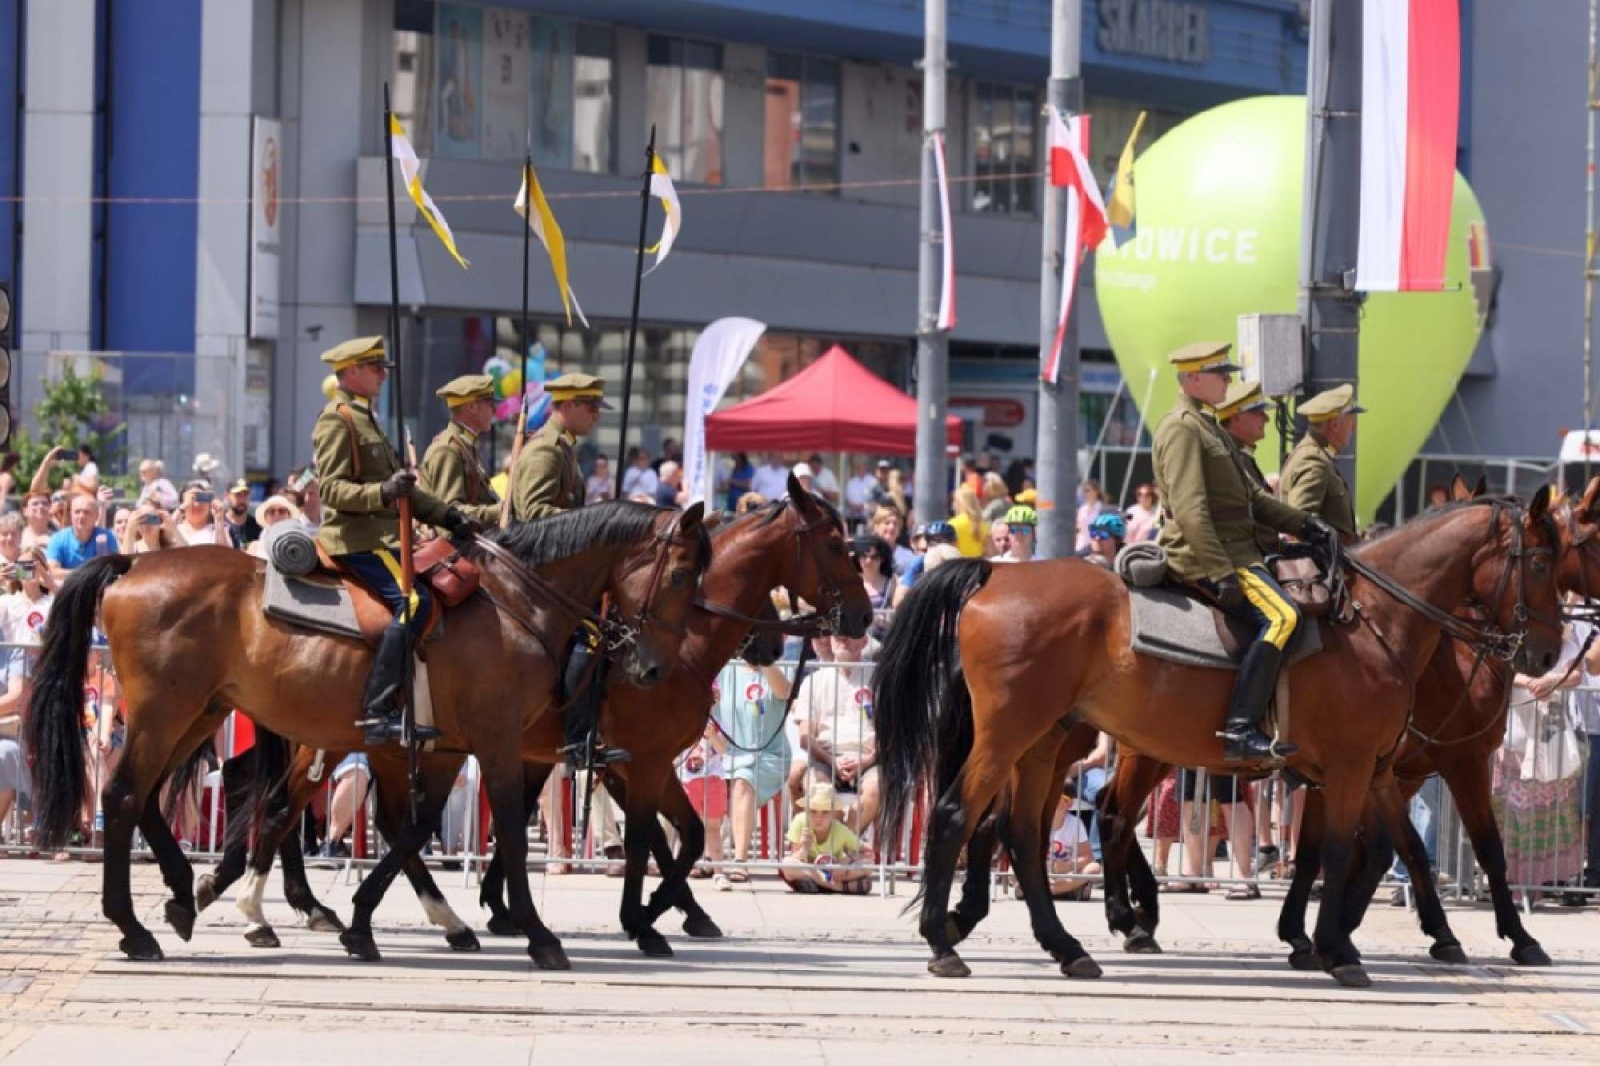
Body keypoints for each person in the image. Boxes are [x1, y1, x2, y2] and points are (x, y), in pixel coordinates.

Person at [1151, 341, 1332, 763]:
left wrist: (1307, 524)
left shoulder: (1209, 427)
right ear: (1194, 379)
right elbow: (1192, 511)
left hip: (1238, 549)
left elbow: (1255, 501)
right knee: (1284, 616)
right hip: (1214, 555)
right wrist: (1219, 571)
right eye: (1221, 373)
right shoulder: (1181, 427)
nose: (1228, 380)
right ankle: (1239, 728)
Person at [312, 336, 475, 746]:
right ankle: (378, 709)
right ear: (351, 373)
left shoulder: (368, 419)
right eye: (375, 368)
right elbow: (330, 490)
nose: (383, 375)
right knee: (416, 603)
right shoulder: (338, 420)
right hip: (356, 539)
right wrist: (382, 492)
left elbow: (406, 491)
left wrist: (449, 515)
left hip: (383, 536)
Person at [507, 372, 627, 772]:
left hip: (560, 571)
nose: (596, 415)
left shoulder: (565, 448)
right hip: (538, 573)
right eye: (590, 406)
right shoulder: (545, 451)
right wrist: (594, 524)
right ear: (568, 405)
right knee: (590, 637)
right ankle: (577, 739)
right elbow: (533, 515)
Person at [1281, 384, 1366, 543]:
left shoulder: (1316, 455)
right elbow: (1299, 525)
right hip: (1322, 565)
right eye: (1351, 420)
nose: (1354, 428)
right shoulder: (1313, 461)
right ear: (1334, 424)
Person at [418, 374, 501, 526]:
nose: (494, 410)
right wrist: (500, 511)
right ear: (472, 407)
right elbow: (451, 511)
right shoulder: (447, 450)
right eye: (490, 403)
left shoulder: (465, 445)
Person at [1216, 379, 1283, 557]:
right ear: (1236, 418)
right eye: (1259, 412)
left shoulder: (1242, 456)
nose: (1267, 418)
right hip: (1241, 556)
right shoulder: (1230, 458)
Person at [779, 782, 873, 895]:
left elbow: (869, 852)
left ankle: (817, 885)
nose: (818, 818)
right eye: (813, 811)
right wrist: (804, 849)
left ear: (833, 812)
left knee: (869, 865)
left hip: (834, 872)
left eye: (825, 812)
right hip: (810, 869)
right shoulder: (800, 821)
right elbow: (796, 858)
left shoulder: (839, 829)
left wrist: (845, 862)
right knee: (786, 863)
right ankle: (837, 887)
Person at [45, 494, 119, 580]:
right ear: (71, 515)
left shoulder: (106, 537)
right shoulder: (58, 539)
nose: (81, 516)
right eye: (77, 512)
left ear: (96, 515)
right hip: (68, 588)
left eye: (86, 512)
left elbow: (112, 568)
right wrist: (85, 573)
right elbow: (54, 572)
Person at [173, 481, 233, 548]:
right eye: (192, 499)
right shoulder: (176, 528)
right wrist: (182, 508)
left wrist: (219, 520)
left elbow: (225, 552)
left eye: (201, 498)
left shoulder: (219, 529)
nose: (197, 505)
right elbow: (166, 531)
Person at [246, 495, 304, 560]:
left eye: (281, 511)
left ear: (289, 516)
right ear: (266, 517)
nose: (276, 515)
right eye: (271, 511)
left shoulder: (299, 545)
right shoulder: (255, 547)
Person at [947, 484, 987, 559]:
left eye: (954, 501)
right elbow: (989, 552)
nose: (952, 505)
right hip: (978, 565)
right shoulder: (983, 524)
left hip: (960, 566)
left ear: (959, 503)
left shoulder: (952, 524)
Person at [220, 479, 263, 548]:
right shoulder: (218, 523)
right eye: (238, 495)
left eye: (246, 494)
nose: (242, 499)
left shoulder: (257, 526)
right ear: (227, 495)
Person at [1074, 479, 1109, 553]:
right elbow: (1078, 528)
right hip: (1081, 545)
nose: (1085, 493)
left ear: (1096, 492)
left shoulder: (1102, 509)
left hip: (1097, 546)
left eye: (1088, 490)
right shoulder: (1082, 510)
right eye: (1084, 491)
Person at [843, 457, 876, 530]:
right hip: (853, 518)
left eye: (862, 466)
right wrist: (860, 506)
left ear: (866, 467)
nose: (860, 468)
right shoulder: (851, 482)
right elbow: (848, 501)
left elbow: (875, 503)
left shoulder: (873, 482)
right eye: (858, 467)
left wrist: (861, 507)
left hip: (869, 519)